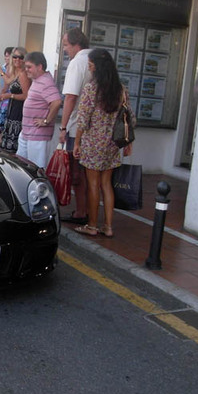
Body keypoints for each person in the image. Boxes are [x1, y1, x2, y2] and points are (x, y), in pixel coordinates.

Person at [73, 49, 134, 238]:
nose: (90, 69)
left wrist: (77, 142)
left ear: (98, 67)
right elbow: (130, 117)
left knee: (93, 184)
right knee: (106, 184)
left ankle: (92, 225)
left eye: (91, 65)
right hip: (113, 144)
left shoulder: (92, 88)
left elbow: (83, 118)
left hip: (93, 142)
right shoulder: (121, 89)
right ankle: (108, 227)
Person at [59, 28, 93, 225]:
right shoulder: (97, 59)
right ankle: (91, 213)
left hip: (77, 126)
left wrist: (63, 128)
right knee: (92, 175)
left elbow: (70, 96)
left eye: (65, 45)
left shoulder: (77, 63)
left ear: (75, 45)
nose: (65, 50)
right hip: (96, 128)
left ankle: (81, 212)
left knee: (77, 173)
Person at [18, 52, 61, 168]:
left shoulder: (46, 82)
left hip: (38, 135)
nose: (26, 70)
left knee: (36, 169)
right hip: (28, 132)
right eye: (25, 67)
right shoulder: (38, 80)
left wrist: (46, 121)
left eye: (29, 67)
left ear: (40, 67)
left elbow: (56, 102)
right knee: (22, 167)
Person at [0, 47, 30, 153]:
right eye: (15, 57)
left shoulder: (23, 74)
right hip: (11, 111)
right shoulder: (16, 72)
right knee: (7, 144)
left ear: (24, 59)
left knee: (13, 146)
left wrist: (10, 96)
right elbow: (7, 81)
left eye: (20, 57)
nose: (17, 59)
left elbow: (26, 95)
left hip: (18, 112)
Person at [0, 47, 14, 128]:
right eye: (5, 56)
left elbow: (5, 87)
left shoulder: (11, 69)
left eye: (8, 56)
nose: (6, 58)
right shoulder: (5, 67)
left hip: (7, 101)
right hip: (5, 100)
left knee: (1, 128)